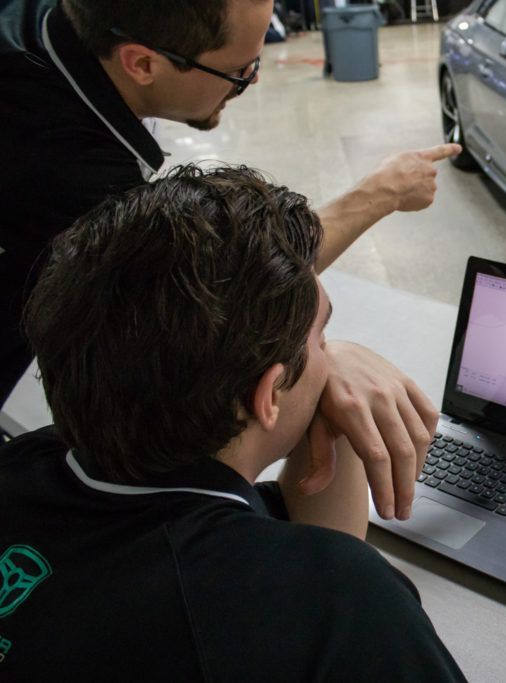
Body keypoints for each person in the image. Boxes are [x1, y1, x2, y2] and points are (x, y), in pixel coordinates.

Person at [0, 165, 506, 681]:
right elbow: (326, 588)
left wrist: (325, 406)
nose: (337, 354)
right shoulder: (333, 606)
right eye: (325, 333)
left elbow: (318, 556)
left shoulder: (35, 463)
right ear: (264, 397)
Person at [0, 0, 460, 511]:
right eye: (239, 72)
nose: (253, 82)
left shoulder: (54, 27)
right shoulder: (60, 163)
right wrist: (322, 359)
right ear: (142, 63)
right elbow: (216, 288)